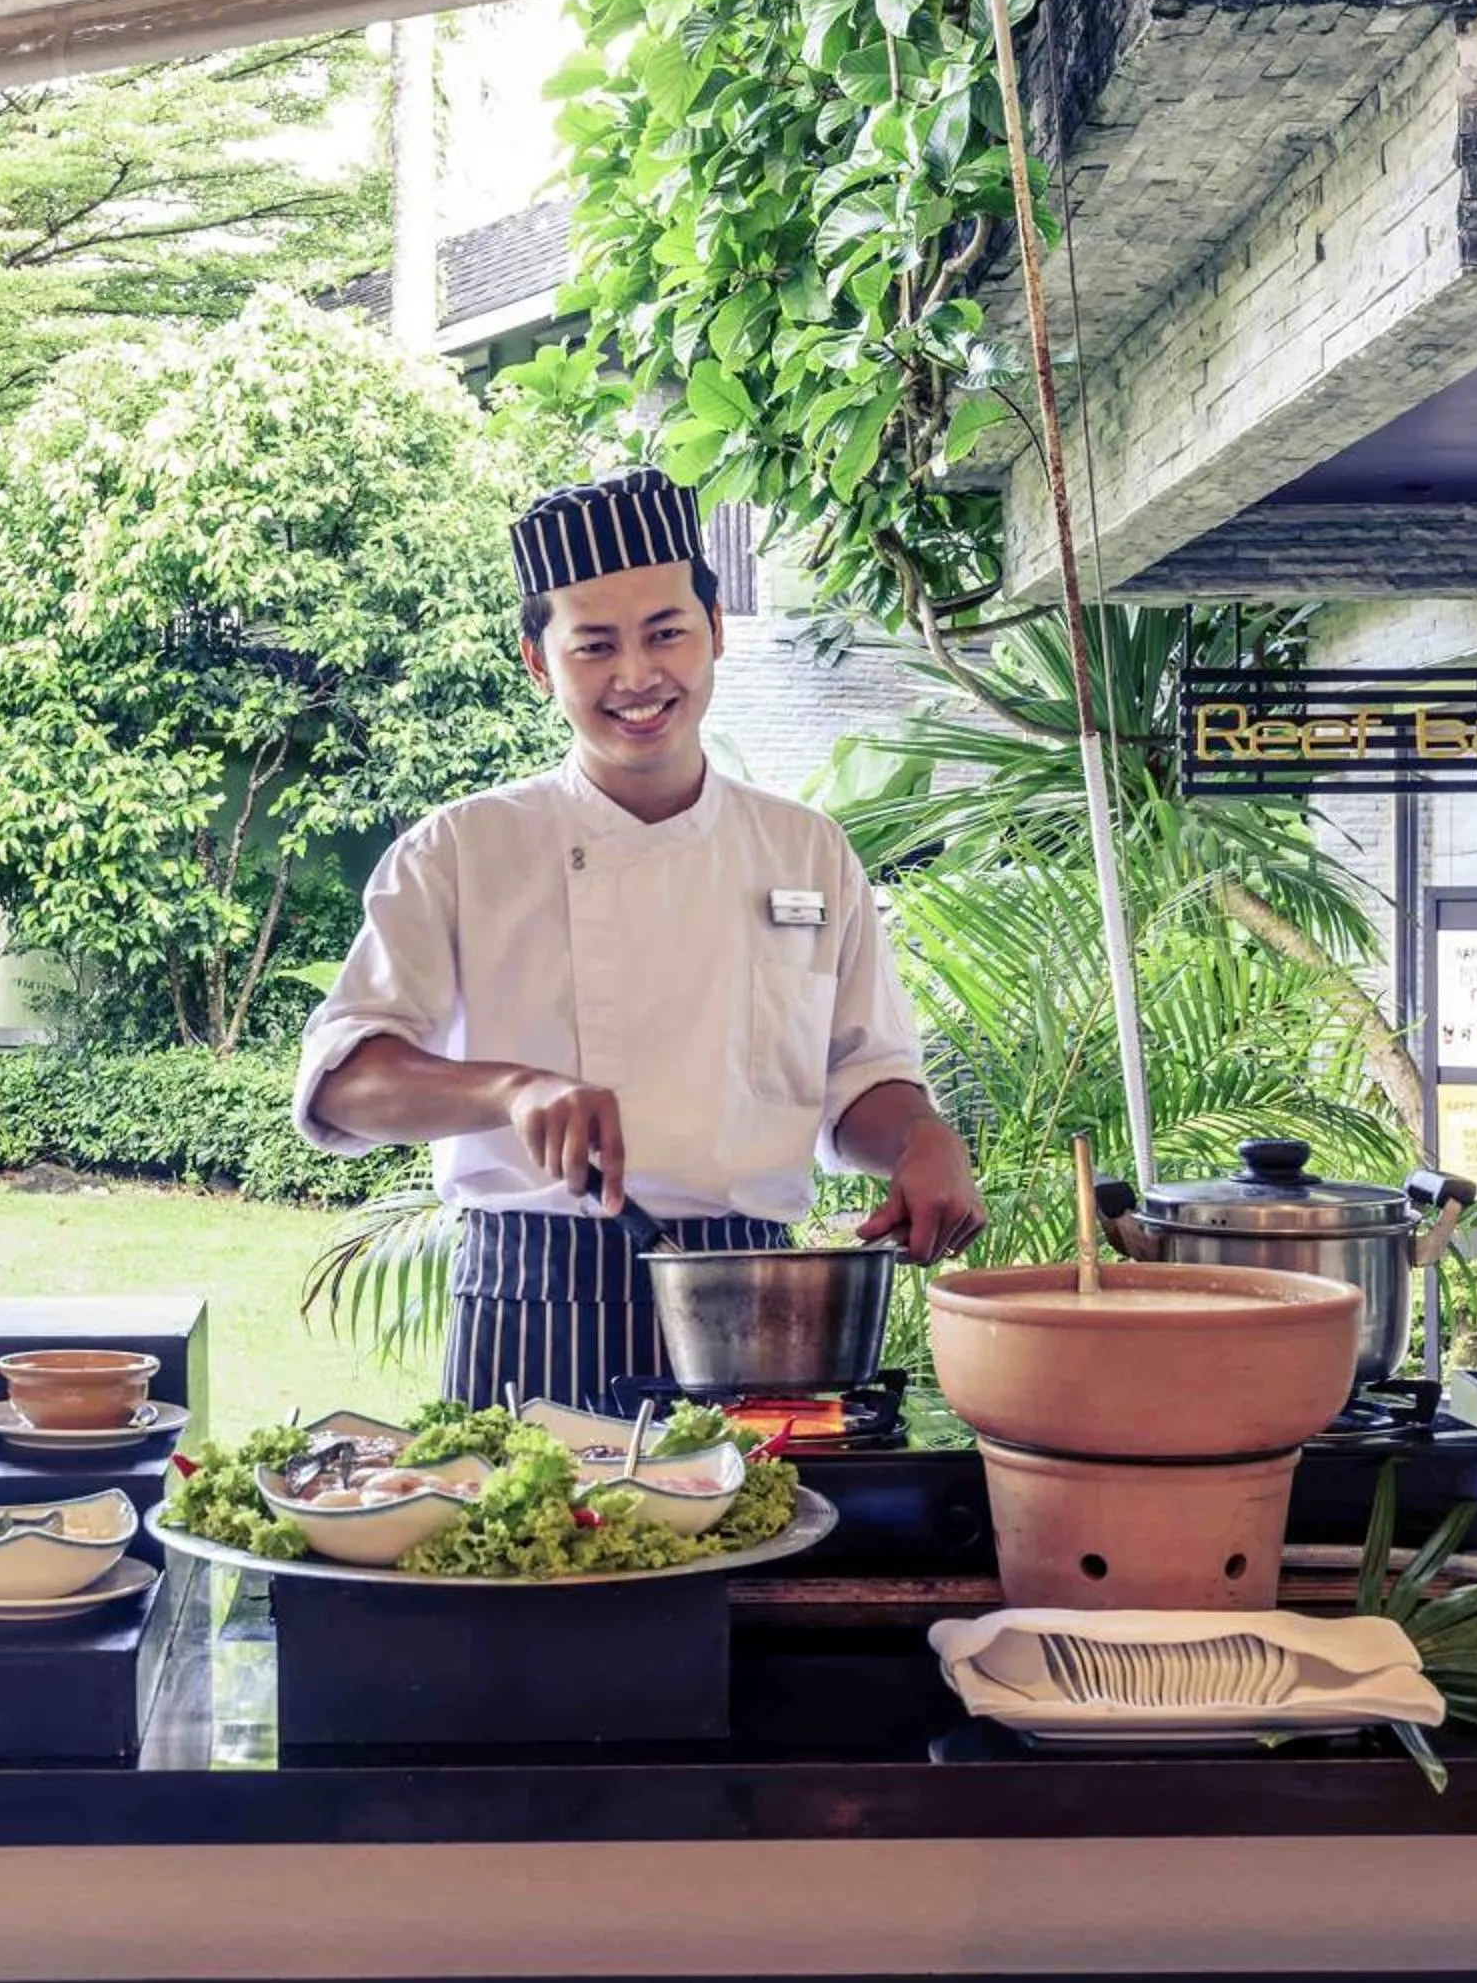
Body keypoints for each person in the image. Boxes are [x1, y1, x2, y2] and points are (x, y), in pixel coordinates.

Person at [294, 467, 987, 1410]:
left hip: (757, 1301)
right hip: (534, 1297)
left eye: (666, 632)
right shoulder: (462, 850)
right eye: (594, 646)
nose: (637, 676)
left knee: (760, 1556)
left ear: (716, 633)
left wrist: (921, 1137)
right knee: (531, 1548)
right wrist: (512, 1089)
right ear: (539, 665)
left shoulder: (806, 850)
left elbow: (861, 1082)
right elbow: (343, 1085)